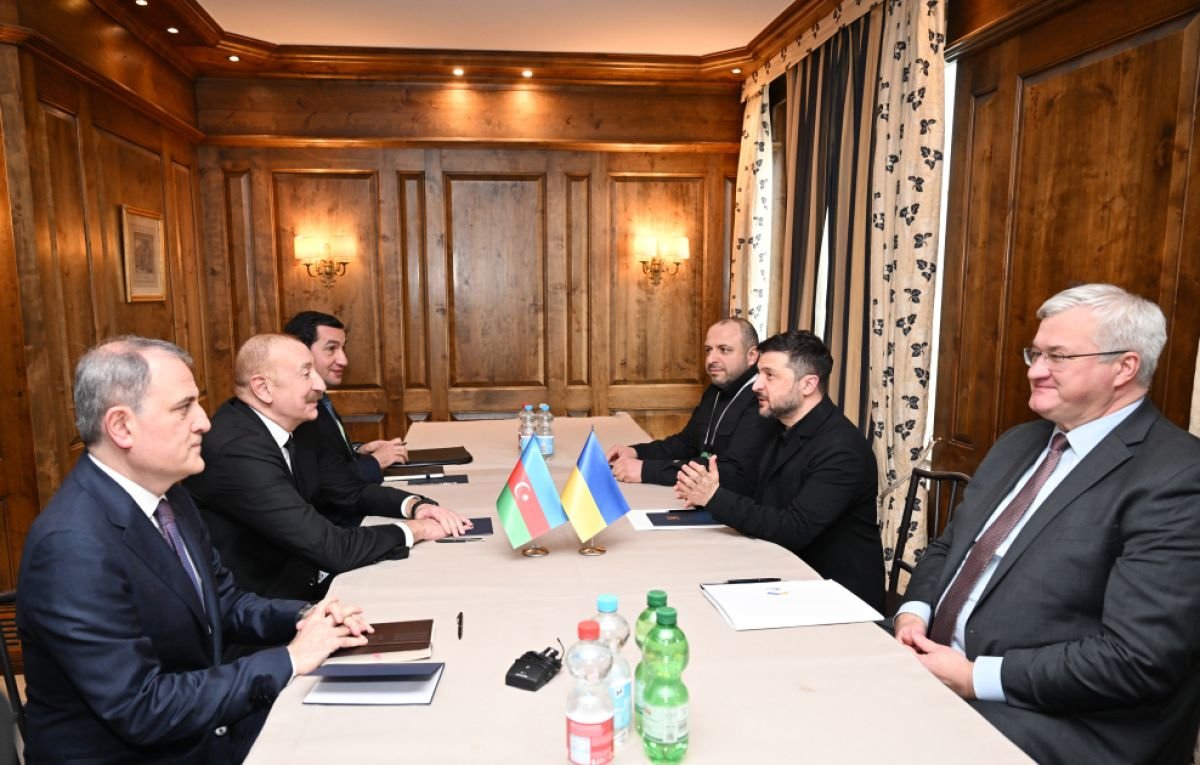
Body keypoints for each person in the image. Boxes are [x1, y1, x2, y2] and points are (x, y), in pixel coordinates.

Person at [16, 336, 373, 763]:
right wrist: (291, 659)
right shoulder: (72, 547)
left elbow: (223, 601)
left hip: (199, 729)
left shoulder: (170, 496)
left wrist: (305, 616)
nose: (204, 422)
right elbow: (142, 707)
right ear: (122, 427)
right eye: (184, 408)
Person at [894, 284, 1200, 764]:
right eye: (1035, 353)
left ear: (1124, 367)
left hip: (1065, 719)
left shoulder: (1177, 475)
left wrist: (975, 677)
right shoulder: (1018, 442)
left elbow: (1137, 659)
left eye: (1058, 356)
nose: (1035, 370)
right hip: (939, 667)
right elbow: (951, 546)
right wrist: (915, 613)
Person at [185, 334, 471, 603]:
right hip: (269, 606)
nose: (320, 385)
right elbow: (330, 548)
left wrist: (416, 506)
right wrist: (416, 530)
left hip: (309, 577)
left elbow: (348, 489)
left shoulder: (298, 424)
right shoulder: (236, 451)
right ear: (263, 388)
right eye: (306, 373)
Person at [675, 330, 884, 611]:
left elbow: (793, 529)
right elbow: (755, 491)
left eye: (770, 376)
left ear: (808, 384)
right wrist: (706, 489)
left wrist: (714, 496)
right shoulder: (776, 425)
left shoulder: (842, 450)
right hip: (779, 572)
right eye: (759, 374)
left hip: (834, 594)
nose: (756, 385)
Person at [606, 318, 775, 496]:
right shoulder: (716, 389)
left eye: (724, 350)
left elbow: (729, 472)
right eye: (708, 350)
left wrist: (646, 470)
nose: (711, 359)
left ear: (752, 356)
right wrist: (636, 452)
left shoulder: (761, 399)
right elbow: (686, 443)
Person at [284, 311, 406, 483]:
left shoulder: (321, 397)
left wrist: (357, 450)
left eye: (342, 348)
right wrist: (375, 461)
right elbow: (321, 483)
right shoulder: (295, 408)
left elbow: (327, 456)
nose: (344, 360)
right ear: (301, 351)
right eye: (331, 348)